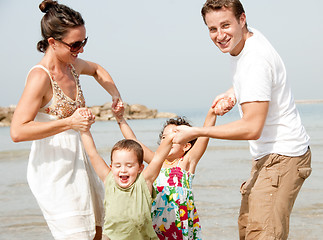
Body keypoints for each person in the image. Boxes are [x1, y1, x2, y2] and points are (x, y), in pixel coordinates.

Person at [173, 1, 312, 239]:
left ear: (242, 19)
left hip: (282, 156)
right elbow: (263, 80)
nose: (220, 35)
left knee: (262, 234)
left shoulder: (254, 60)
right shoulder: (248, 41)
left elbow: (251, 128)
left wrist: (196, 132)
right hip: (268, 156)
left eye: (225, 25)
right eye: (212, 29)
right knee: (247, 230)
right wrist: (235, 91)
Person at [10, 0, 122, 239]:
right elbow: (17, 131)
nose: (80, 50)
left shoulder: (72, 66)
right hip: (55, 172)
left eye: (84, 42)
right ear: (52, 42)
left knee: (100, 233)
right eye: (75, 44)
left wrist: (114, 95)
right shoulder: (40, 77)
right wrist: (69, 123)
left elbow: (97, 70)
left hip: (83, 164)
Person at [112, 102, 217, 239]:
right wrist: (120, 119)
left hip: (181, 226)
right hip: (157, 224)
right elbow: (133, 141)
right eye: (164, 138)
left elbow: (204, 137)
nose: (167, 140)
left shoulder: (186, 162)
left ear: (186, 146)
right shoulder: (157, 162)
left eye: (173, 138)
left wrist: (212, 112)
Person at [80, 121, 176, 240]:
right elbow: (93, 154)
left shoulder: (144, 183)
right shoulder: (109, 179)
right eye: (118, 165)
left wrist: (171, 137)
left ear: (140, 168)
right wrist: (84, 130)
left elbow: (158, 158)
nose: (123, 170)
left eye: (129, 165)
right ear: (111, 167)